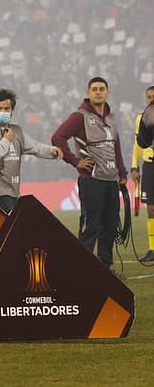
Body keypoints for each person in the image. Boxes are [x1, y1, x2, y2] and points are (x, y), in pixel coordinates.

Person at [52, 77, 128, 272]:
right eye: (94, 89)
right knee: (90, 227)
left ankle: (105, 269)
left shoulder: (111, 118)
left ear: (107, 92)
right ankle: (83, 271)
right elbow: (57, 137)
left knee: (110, 226)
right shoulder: (80, 116)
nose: (98, 92)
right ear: (88, 92)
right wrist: (75, 161)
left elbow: (116, 147)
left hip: (111, 181)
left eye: (102, 89)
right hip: (91, 180)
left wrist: (122, 172)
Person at [0, 89, 63, 214]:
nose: (3, 112)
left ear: (12, 111)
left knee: (7, 229)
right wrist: (5, 141)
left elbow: (35, 147)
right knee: (13, 226)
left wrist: (51, 151)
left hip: (13, 189)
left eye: (6, 109)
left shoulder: (17, 131)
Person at [133, 86, 154, 261]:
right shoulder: (142, 118)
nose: (151, 99)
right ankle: (153, 249)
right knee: (151, 208)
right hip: (149, 165)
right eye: (149, 97)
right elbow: (138, 145)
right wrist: (134, 168)